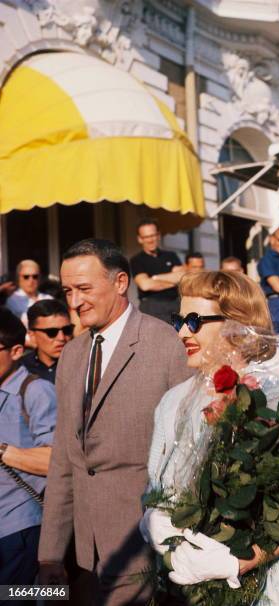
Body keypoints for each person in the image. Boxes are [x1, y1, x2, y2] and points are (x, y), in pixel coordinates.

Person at [141, 270, 279, 604]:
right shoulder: (173, 402)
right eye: (178, 319)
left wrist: (241, 561)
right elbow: (156, 489)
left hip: (269, 590)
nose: (182, 332)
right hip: (185, 587)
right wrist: (161, 530)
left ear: (238, 324)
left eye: (194, 321)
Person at [38, 239, 192, 606]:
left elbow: (190, 451)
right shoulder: (72, 354)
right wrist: (50, 554)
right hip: (84, 552)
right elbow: (65, 459)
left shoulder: (167, 345)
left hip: (144, 543)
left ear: (121, 283)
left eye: (85, 289)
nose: (74, 302)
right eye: (68, 291)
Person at [0, 307, 56, 589]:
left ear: (16, 350)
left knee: (15, 598)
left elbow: (55, 461)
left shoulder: (36, 391)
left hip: (20, 526)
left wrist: (1, 451)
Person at [130, 218, 185, 323]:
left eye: (153, 235)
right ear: (140, 239)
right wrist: (173, 282)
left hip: (176, 304)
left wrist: (156, 278)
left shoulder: (171, 255)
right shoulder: (137, 260)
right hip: (152, 307)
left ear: (158, 235)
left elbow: (182, 277)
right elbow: (145, 285)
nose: (150, 240)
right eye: (146, 237)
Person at [22, 299, 74, 384]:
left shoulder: (86, 365)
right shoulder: (20, 369)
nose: (61, 338)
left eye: (67, 330)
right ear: (32, 335)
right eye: (51, 332)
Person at [6, 260, 52, 324]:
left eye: (35, 276)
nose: (31, 280)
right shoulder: (12, 300)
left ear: (40, 278)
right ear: (18, 278)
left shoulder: (49, 299)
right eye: (26, 277)